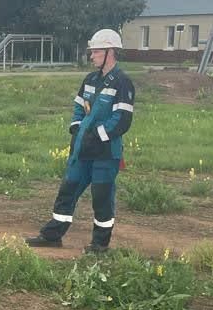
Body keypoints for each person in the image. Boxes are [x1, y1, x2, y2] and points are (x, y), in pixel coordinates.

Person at [25, 29, 135, 253]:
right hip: (82, 149)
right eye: (92, 51)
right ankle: (52, 235)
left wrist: (99, 136)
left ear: (110, 52)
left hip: (106, 152)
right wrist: (77, 129)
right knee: (68, 188)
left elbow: (122, 119)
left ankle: (99, 244)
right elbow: (79, 107)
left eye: (95, 51)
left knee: (101, 197)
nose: (92, 55)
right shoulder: (90, 79)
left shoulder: (122, 83)